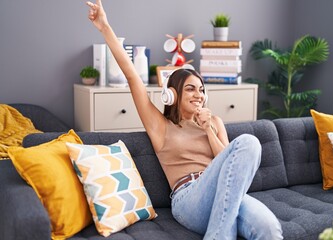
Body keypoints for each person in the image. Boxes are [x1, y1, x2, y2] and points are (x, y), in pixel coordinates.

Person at [85, 1, 283, 239]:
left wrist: (208, 128)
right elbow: (131, 76)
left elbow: (229, 163)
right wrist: (105, 26)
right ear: (173, 95)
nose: (198, 95)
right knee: (248, 142)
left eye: (201, 90)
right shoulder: (161, 126)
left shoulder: (215, 122)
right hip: (189, 199)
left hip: (226, 192)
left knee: (268, 228)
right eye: (190, 89)